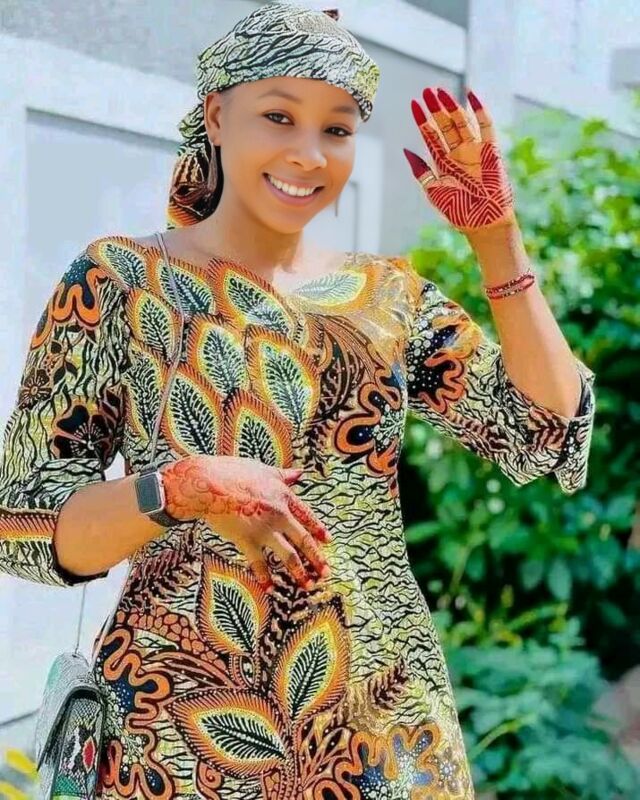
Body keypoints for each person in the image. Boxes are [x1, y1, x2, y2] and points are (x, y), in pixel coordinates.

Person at [0, 3, 596, 798]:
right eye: (279, 117)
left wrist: (498, 238)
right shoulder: (121, 282)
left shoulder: (388, 299)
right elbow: (22, 522)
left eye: (337, 129)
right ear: (218, 115)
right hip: (176, 742)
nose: (309, 155)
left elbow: (543, 434)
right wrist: (177, 489)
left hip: (380, 735)